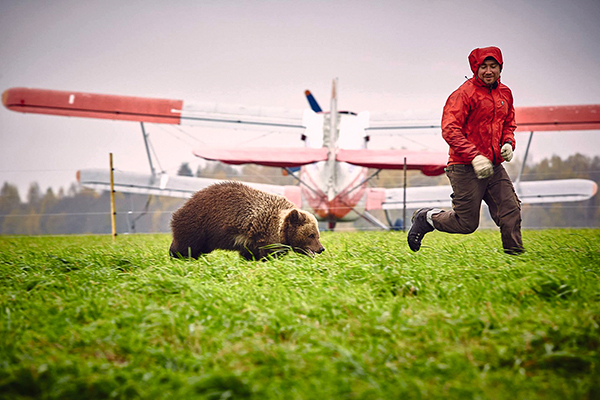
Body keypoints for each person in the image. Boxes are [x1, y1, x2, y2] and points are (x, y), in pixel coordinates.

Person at [407, 46, 524, 255]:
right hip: (464, 167)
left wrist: (508, 142)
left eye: (493, 66)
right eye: (484, 67)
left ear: (500, 67)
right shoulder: (463, 94)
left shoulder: (505, 93)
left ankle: (515, 257)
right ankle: (426, 218)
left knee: (511, 210)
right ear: (475, 68)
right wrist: (475, 156)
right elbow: (450, 130)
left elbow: (509, 122)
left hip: (494, 166)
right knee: (466, 224)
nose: (489, 71)